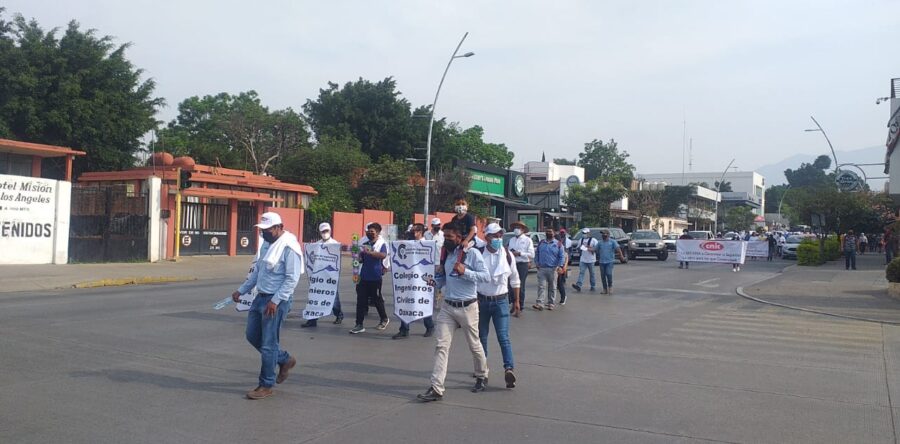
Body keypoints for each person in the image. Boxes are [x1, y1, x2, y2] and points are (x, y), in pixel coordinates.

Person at [231, 212, 304, 400]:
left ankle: (266, 384)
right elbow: (257, 272)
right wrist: (241, 290)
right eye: (261, 230)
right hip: (260, 297)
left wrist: (276, 301)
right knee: (252, 335)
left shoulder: (289, 248)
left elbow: (292, 279)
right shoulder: (266, 245)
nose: (264, 233)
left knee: (268, 344)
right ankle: (285, 359)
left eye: (267, 230)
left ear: (279, 227)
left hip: (276, 300)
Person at [417, 221, 490, 402]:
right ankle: (436, 387)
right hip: (448, 307)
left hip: (468, 307)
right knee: (441, 346)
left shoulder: (471, 254)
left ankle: (482, 374)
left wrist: (465, 271)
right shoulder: (447, 256)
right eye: (445, 236)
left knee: (474, 344)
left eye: (450, 237)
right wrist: (433, 281)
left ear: (459, 237)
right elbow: (444, 280)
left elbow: (485, 276)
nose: (447, 240)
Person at [477, 223, 520, 388]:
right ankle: (483, 370)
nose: (498, 239)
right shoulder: (479, 253)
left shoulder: (508, 255)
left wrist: (516, 301)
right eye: (495, 236)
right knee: (482, 338)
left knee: (504, 337)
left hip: (501, 301)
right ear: (487, 237)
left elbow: (515, 279)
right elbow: (472, 278)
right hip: (481, 301)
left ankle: (509, 368)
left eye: (500, 235)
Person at [394, 223, 435, 339]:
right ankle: (404, 329)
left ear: (421, 232)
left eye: (416, 231)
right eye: (412, 231)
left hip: (422, 279)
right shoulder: (407, 244)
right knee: (405, 302)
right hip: (407, 278)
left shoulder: (427, 244)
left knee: (422, 302)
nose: (413, 233)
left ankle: (430, 326)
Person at [300, 222, 344, 328]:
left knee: (333, 297)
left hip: (330, 276)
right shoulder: (316, 245)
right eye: (323, 231)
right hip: (318, 276)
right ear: (320, 232)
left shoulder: (335, 244)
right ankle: (312, 320)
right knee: (315, 296)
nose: (325, 233)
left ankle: (339, 314)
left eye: (326, 231)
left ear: (330, 231)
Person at [350, 223, 391, 334]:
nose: (369, 233)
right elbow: (361, 259)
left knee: (377, 300)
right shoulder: (364, 243)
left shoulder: (382, 243)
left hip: (375, 277)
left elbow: (383, 255)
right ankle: (359, 324)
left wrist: (371, 253)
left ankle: (384, 319)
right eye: (368, 231)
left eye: (372, 231)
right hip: (363, 276)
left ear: (377, 232)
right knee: (361, 301)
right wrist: (356, 255)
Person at [532, 227, 566, 311]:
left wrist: (560, 266)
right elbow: (537, 254)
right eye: (547, 231)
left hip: (553, 269)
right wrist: (536, 263)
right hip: (542, 268)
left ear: (554, 233)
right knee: (541, 286)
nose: (548, 233)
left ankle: (551, 303)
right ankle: (540, 303)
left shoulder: (558, 244)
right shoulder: (541, 243)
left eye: (550, 231)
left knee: (552, 287)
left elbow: (562, 256)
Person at [508, 221, 534, 314]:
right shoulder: (511, 240)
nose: (516, 229)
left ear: (523, 230)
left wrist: (519, 253)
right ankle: (514, 303)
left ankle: (520, 305)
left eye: (518, 227)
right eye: (515, 227)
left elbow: (531, 254)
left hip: (522, 264)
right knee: (510, 285)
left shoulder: (528, 240)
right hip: (512, 263)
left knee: (520, 285)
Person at [596, 229, 624, 293]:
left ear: (608, 235)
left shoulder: (612, 242)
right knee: (603, 276)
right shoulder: (600, 242)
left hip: (609, 261)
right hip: (601, 262)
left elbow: (618, 249)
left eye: (604, 234)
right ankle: (604, 289)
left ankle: (610, 286)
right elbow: (595, 249)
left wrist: (621, 256)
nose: (603, 235)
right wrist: (587, 248)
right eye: (602, 234)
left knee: (608, 274)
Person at [556, 228, 571, 304]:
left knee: (560, 284)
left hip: (560, 267)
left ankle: (563, 297)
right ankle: (550, 301)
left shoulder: (561, 246)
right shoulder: (551, 245)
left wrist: (565, 266)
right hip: (552, 267)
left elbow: (566, 256)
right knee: (553, 285)